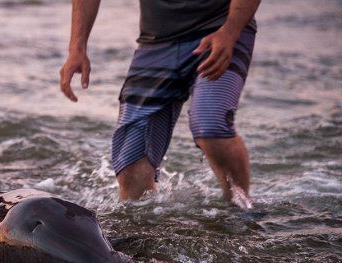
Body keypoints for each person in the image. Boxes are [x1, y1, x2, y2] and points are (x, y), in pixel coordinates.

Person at [60, 0, 261, 203]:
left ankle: (240, 209)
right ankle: (146, 231)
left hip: (219, 31)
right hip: (157, 41)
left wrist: (230, 31)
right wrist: (77, 47)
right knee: (130, 169)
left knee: (210, 124)